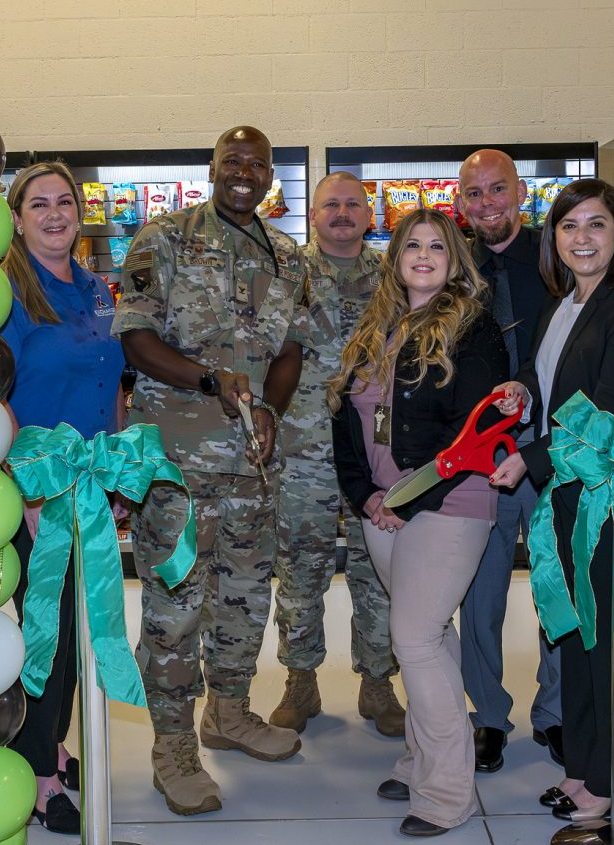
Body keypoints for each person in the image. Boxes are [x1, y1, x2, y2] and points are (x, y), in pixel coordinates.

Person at [114, 126, 309, 816]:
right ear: (213, 169)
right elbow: (137, 339)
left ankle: (228, 712)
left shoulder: (287, 254)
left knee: (247, 594)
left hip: (252, 465)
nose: (244, 173)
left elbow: (291, 348)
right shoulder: (161, 240)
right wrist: (207, 381)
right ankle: (172, 746)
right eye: (233, 161)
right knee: (174, 605)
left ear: (269, 177)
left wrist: (273, 411)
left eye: (257, 164)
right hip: (176, 464)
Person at [486, 178, 614, 822]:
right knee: (582, 637)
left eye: (596, 225)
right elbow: (558, 390)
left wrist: (528, 459)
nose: (582, 238)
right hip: (567, 490)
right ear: (553, 237)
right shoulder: (561, 305)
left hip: (609, 497)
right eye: (569, 226)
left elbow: (612, 413)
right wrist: (522, 396)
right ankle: (588, 768)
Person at [330, 207, 507, 837]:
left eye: (437, 246)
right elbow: (346, 423)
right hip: (383, 506)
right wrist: (365, 495)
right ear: (395, 258)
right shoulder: (376, 326)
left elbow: (476, 433)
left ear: (454, 260)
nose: (425, 256)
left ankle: (446, 792)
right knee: (431, 637)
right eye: (413, 246)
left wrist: (403, 500)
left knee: (415, 639)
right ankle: (419, 757)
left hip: (449, 504)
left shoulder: (472, 329)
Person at [0, 160, 126, 834]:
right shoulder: (7, 293)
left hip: (88, 483)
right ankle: (39, 778)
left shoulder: (90, 286)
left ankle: (51, 744)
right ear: (16, 218)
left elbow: (110, 380)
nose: (55, 214)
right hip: (35, 491)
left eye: (65, 202)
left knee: (78, 629)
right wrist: (28, 489)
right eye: (38, 204)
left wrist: (119, 465)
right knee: (48, 637)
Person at [269, 171, 403, 737]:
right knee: (301, 566)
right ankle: (300, 680)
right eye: (331, 205)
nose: (342, 213)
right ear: (313, 214)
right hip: (304, 449)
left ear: (369, 214)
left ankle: (378, 681)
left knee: (381, 566)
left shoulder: (396, 277)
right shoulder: (284, 273)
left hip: (377, 447)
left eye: (353, 204)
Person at [455, 149, 561, 773]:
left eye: (498, 189)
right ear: (461, 201)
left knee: (556, 592)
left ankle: (554, 715)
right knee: (480, 596)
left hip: (549, 453)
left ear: (520, 191)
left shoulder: (557, 256)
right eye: (474, 193)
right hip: (478, 460)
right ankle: (488, 716)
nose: (488, 202)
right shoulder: (452, 263)